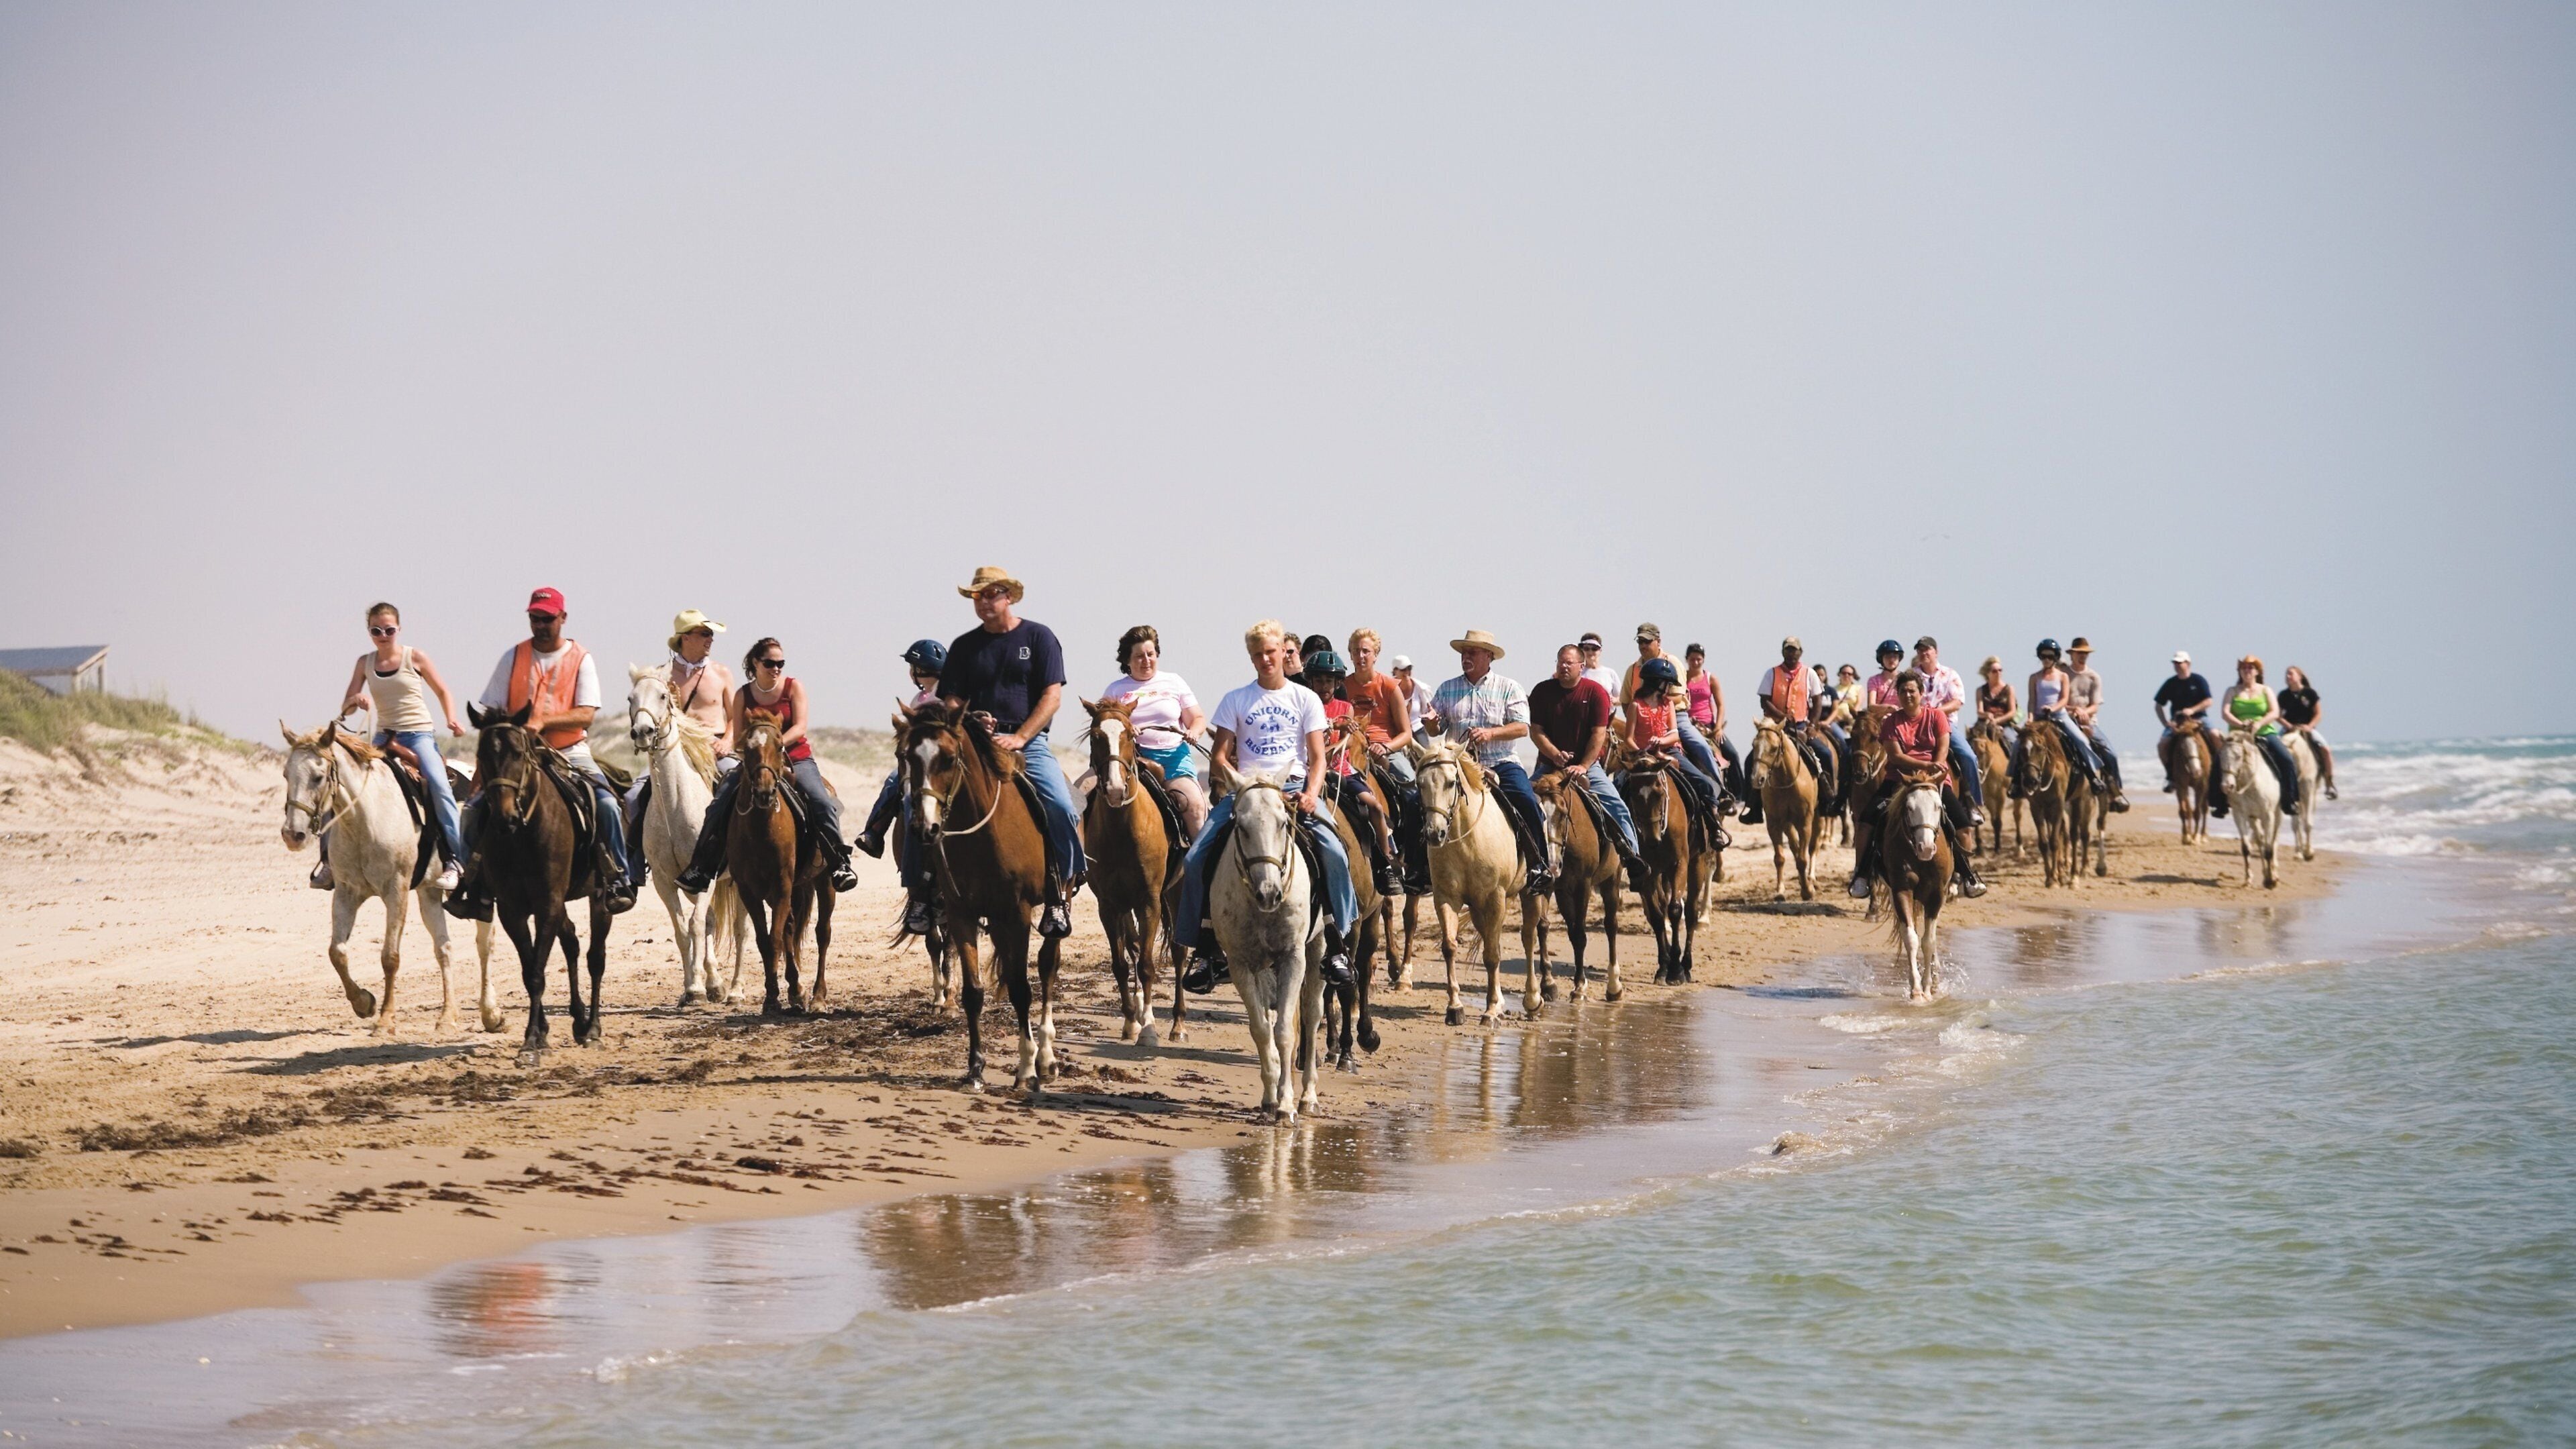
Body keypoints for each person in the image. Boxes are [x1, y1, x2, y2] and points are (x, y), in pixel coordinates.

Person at [1175, 620, 1362, 994]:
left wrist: (1311, 793)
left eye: (1271, 652)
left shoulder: (1305, 698)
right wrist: (1241, 784)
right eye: (1258, 654)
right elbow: (1220, 756)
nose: (1265, 659)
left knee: (1335, 851)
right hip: (1247, 791)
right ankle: (1206, 947)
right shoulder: (1236, 700)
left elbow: (1317, 756)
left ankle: (1336, 944)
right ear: (1252, 658)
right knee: (1196, 857)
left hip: (1293, 789)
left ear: (1283, 653)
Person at [447, 586, 637, 918]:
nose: (540, 625)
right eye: (535, 618)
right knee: (473, 810)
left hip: (570, 750)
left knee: (606, 803)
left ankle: (618, 877)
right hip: (519, 754)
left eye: (547, 619)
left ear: (562, 618)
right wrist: (481, 773)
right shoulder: (513, 657)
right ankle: (470, 883)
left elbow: (587, 713)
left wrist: (543, 721)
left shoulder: (581, 658)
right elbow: (491, 715)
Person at [932, 566, 1084, 938]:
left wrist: (1021, 737)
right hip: (975, 743)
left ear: (1009, 597)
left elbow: (1052, 697)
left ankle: (1058, 895)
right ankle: (925, 892)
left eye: (991, 594)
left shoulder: (1039, 637)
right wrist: (968, 720)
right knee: (920, 800)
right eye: (977, 596)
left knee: (1062, 806)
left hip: (1028, 744)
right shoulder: (964, 646)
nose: (984, 601)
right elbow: (951, 696)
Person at [671, 637, 860, 895]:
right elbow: (738, 738)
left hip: (796, 757)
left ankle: (839, 863)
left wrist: (775, 743)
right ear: (755, 663)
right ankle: (702, 867)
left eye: (780, 663)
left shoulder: (794, 688)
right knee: (719, 804)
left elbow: (801, 727)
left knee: (821, 801)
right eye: (770, 663)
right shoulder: (743, 695)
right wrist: (758, 750)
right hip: (755, 762)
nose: (776, 668)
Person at [320, 602, 466, 892]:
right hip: (383, 738)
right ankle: (328, 863)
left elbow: (443, 690)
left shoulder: (416, 657)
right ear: (369, 632)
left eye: (388, 630)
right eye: (376, 630)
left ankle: (456, 861)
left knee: (438, 784)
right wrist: (355, 701)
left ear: (398, 629)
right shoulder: (365, 662)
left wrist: (452, 719)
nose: (383, 635)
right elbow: (346, 706)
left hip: (419, 735)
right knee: (336, 781)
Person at [1426, 629, 1556, 892]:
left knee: (1527, 801)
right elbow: (1434, 729)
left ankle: (1538, 866)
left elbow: (1522, 728)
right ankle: (1420, 870)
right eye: (1464, 652)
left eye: (1472, 652)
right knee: (1425, 802)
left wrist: (1491, 733)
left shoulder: (1509, 687)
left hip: (1501, 762)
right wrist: (1430, 723)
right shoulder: (1447, 688)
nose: (1466, 657)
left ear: (1489, 656)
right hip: (1459, 765)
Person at [623, 609, 738, 888]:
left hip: (717, 750)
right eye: (705, 634)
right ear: (686, 638)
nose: (711, 639)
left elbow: (735, 718)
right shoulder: (662, 676)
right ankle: (634, 868)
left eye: (711, 634)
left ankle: (742, 854)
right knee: (633, 796)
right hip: (677, 751)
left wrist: (726, 742)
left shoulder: (721, 673)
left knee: (740, 787)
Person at [1848, 670, 1986, 899]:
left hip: (1934, 781)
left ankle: (1967, 876)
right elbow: (1895, 756)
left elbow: (1943, 745)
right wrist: (1925, 764)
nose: (1907, 695)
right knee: (1867, 822)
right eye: (1902, 691)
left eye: (1912, 690)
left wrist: (1937, 765)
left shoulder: (1936, 717)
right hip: (1899, 780)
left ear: (1921, 693)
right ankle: (1861, 874)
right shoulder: (1891, 722)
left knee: (1962, 827)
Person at [1529, 644, 1648, 885]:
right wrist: (1553, 754)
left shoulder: (1596, 693)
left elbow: (1598, 734)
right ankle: (1525, 864)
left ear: (1581, 667)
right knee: (1524, 801)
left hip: (1587, 766)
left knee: (1616, 805)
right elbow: (1536, 731)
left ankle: (1631, 857)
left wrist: (1583, 765)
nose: (1563, 666)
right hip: (1549, 765)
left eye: (1568, 663)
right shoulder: (1542, 691)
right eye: (1560, 661)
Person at [854, 639, 947, 936]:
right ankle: (874, 832)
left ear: (921, 670)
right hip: (920, 762)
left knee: (900, 788)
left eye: (913, 667)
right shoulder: (919, 700)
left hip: (940, 765)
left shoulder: (947, 697)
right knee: (895, 782)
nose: (911, 673)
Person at [1095, 625, 1210, 839]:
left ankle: (1200, 868)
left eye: (1151, 654)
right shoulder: (1115, 690)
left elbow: (1198, 718)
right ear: (1127, 661)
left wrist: (1194, 731)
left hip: (1174, 760)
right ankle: (1078, 867)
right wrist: (1127, 728)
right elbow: (1104, 725)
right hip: (1130, 763)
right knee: (1080, 792)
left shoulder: (1174, 681)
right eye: (1139, 656)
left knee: (1195, 806)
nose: (1146, 661)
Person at [1623, 623, 1743, 814]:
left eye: (1647, 641)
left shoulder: (1673, 662)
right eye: (1640, 641)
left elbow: (1678, 696)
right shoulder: (1633, 669)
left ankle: (1721, 793)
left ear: (1658, 641)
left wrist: (1657, 703)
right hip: (1641, 725)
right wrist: (1637, 718)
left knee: (1702, 747)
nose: (1643, 645)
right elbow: (1625, 701)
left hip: (1676, 716)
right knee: (1620, 780)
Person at [1627, 656, 1729, 832]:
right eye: (1667, 683)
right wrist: (1641, 753)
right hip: (1642, 757)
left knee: (1703, 782)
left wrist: (1661, 741)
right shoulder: (1635, 706)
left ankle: (1714, 826)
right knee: (1618, 787)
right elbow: (1628, 738)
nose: (1670, 687)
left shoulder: (1669, 705)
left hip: (1670, 752)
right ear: (1657, 682)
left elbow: (1674, 734)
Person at [1754, 637, 1843, 812]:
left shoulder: (1809, 673)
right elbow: (1764, 701)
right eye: (1788, 649)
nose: (1791, 653)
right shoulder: (1771, 673)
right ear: (1783, 652)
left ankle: (1829, 797)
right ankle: (1754, 805)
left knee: (1825, 753)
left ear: (1800, 653)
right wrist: (1782, 716)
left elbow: (1817, 701)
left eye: (1794, 650)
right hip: (1774, 726)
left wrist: (1813, 726)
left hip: (1801, 726)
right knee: (1754, 757)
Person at [2010, 639, 2106, 800]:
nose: (2046, 659)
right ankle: (2015, 782)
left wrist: (2053, 709)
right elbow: (2032, 701)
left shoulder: (2062, 676)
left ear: (2056, 657)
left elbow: (2064, 699)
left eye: (2050, 656)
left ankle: (2092, 777)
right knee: (2019, 744)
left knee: (2081, 741)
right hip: (2039, 717)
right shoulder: (2034, 677)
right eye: (2043, 656)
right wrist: (2030, 718)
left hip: (2059, 716)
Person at [2210, 655, 2303, 817]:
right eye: (2244, 668)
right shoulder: (2232, 691)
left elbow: (2274, 712)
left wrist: (2259, 724)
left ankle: (2290, 800)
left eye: (2251, 668)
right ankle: (2219, 804)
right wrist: (2240, 724)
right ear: (2239, 671)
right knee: (2219, 762)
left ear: (2257, 671)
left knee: (2286, 759)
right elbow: (2225, 713)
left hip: (2265, 733)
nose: (2247, 671)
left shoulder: (2266, 690)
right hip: (2238, 735)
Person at [1908, 637, 1986, 822]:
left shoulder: (1950, 674)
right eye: (1920, 650)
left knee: (1968, 756)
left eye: (1927, 649)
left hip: (1946, 724)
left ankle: (1971, 803)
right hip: (1917, 724)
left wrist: (1935, 712)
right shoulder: (1912, 675)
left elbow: (1958, 701)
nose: (1923, 653)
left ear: (1936, 651)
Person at [2063, 637, 2131, 812]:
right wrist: (2073, 709)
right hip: (2065, 720)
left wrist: (2085, 712)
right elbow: (2059, 700)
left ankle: (2115, 793)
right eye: (2080, 653)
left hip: (2088, 722)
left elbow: (2095, 705)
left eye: (2086, 653)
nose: (2083, 656)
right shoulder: (2063, 674)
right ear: (2072, 654)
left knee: (2110, 753)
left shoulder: (2094, 677)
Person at [2153, 651, 2216, 794]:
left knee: (2215, 735)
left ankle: (2217, 771)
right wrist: (2166, 723)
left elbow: (2209, 701)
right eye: (2175, 663)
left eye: (2180, 663)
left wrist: (2192, 710)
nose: (2177, 666)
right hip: (2178, 721)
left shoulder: (2199, 680)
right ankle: (2170, 775)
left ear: (2188, 664)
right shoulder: (2171, 683)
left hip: (2199, 719)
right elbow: (2158, 705)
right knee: (2162, 744)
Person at [2279, 666, 2338, 800]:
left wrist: (2310, 727)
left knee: (2326, 750)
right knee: (2274, 749)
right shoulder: (2283, 695)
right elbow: (2278, 715)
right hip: (2289, 729)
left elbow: (2318, 714)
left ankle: (2329, 783)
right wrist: (2288, 725)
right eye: (2286, 674)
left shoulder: (2310, 693)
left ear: (2300, 676)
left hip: (2307, 728)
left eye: (2291, 674)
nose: (2288, 677)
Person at [1974, 656, 2020, 756]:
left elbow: (2012, 712)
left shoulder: (2009, 689)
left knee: (2015, 743)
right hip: (1985, 724)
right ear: (1988, 673)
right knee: (1971, 744)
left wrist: (1997, 721)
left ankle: (2016, 770)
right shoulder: (1981, 691)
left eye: (2000, 670)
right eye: (1995, 671)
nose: (1998, 673)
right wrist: (1987, 715)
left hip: (2004, 725)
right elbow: (1980, 712)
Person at [1576, 632, 1624, 698]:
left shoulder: (1610, 673)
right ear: (1581, 651)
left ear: (1600, 651)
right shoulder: (1577, 673)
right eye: (1587, 649)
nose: (1590, 652)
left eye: (1594, 649)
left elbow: (1622, 698)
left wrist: (1614, 701)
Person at [1865, 640, 1907, 710]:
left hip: (1901, 718)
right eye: (1888, 656)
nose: (1891, 660)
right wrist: (1888, 708)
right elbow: (1871, 706)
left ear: (1899, 658)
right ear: (1882, 659)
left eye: (1895, 656)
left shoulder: (1905, 679)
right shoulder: (1874, 680)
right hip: (1881, 718)